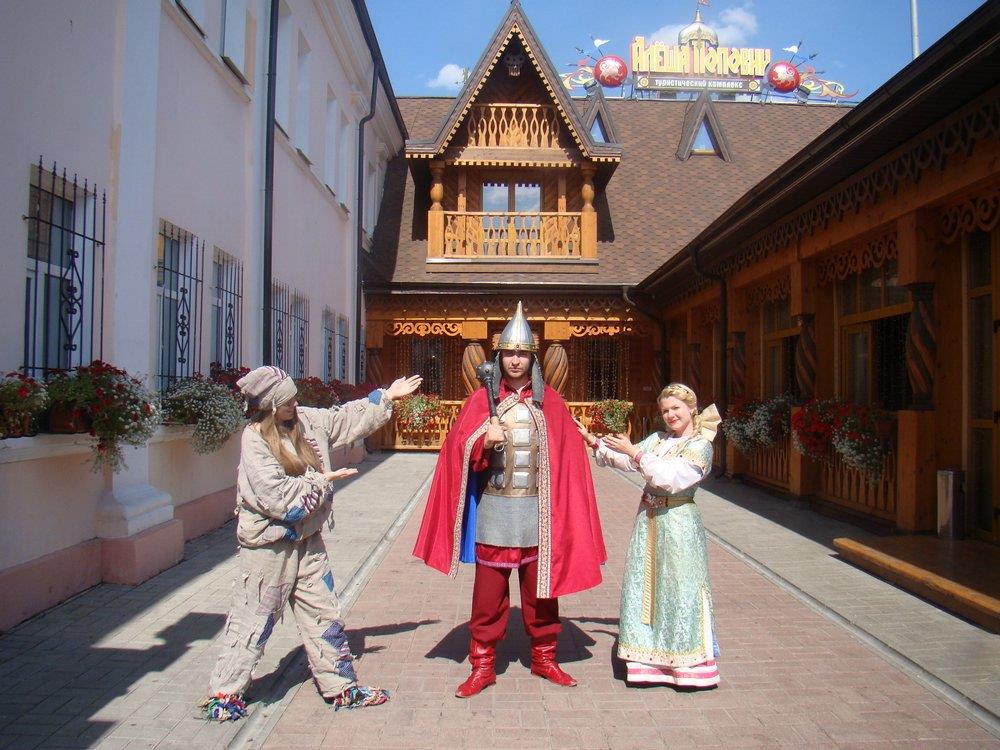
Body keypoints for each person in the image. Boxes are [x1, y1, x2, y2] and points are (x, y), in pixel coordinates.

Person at [202, 366, 422, 720]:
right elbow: (276, 497)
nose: (295, 404)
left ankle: (340, 685)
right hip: (269, 548)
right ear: (271, 407)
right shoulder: (254, 439)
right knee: (252, 620)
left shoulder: (305, 420)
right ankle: (225, 693)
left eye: (294, 397)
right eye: (287, 401)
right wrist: (321, 481)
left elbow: (343, 419)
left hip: (308, 540)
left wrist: (386, 396)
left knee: (323, 613)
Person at [413, 302, 607, 698]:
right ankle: (482, 664)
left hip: (539, 514)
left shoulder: (551, 404)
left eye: (522, 354)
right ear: (499, 357)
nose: (515, 360)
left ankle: (544, 657)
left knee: (542, 593)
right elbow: (457, 452)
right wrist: (482, 441)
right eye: (509, 353)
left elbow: (568, 460)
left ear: (532, 359)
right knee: (488, 595)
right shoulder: (479, 402)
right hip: (495, 510)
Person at [576, 383, 722, 688]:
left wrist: (635, 452)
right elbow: (628, 460)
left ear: (692, 408)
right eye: (665, 410)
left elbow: (671, 479)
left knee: (680, 586)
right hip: (649, 520)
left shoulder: (700, 446)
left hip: (679, 522)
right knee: (647, 585)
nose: (670, 415)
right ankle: (647, 659)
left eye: (676, 408)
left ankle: (685, 664)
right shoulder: (658, 440)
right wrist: (593, 441)